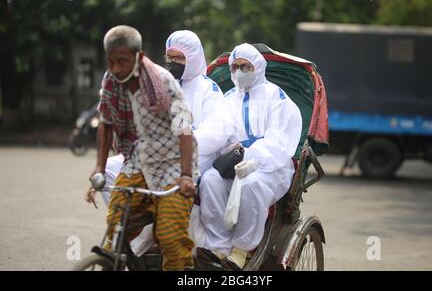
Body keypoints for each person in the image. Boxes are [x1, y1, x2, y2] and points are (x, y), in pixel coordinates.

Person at [86, 25, 198, 271]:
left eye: (123, 61)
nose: (116, 69)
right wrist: (99, 168)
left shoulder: (163, 82)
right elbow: (105, 122)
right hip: (139, 159)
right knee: (116, 224)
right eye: (111, 62)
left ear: (139, 56)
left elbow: (185, 129)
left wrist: (187, 175)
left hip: (173, 163)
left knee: (170, 237)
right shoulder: (110, 79)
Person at [194, 43, 302, 270]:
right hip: (234, 162)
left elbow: (281, 140)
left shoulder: (277, 98)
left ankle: (241, 250)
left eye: (245, 66)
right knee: (211, 181)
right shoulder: (228, 99)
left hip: (270, 167)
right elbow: (219, 133)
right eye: (234, 67)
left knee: (252, 185)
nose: (239, 72)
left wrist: (254, 158)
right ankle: (218, 247)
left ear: (259, 67)